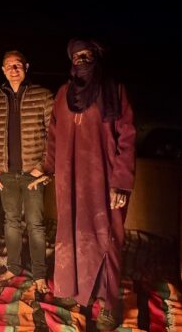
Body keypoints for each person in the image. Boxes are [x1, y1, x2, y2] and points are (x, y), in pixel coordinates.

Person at [36, 38, 136, 331]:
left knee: (106, 238)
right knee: (72, 236)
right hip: (70, 180)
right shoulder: (64, 93)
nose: (81, 60)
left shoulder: (113, 90)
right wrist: (47, 168)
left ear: (96, 58)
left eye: (86, 55)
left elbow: (127, 137)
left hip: (103, 180)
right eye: (76, 56)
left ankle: (108, 304)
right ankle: (75, 291)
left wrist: (122, 182)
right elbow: (54, 135)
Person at [0, 50, 53, 294]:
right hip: (5, 173)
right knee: (11, 222)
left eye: (17, 65)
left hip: (33, 173)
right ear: (3, 70)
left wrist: (42, 166)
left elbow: (54, 135)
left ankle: (39, 274)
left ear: (26, 67)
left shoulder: (43, 95)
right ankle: (13, 267)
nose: (13, 69)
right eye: (9, 66)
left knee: (35, 224)